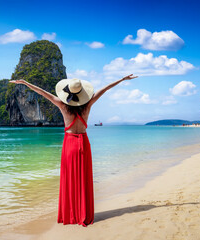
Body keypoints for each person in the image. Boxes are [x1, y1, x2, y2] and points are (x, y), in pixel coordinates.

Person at [9, 74, 138, 227]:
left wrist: (25, 82)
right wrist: (121, 79)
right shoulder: (88, 105)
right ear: (82, 94)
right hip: (83, 142)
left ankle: (71, 215)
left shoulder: (62, 105)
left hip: (69, 144)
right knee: (83, 179)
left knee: (69, 179)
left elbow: (42, 92)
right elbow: (104, 90)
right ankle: (84, 214)